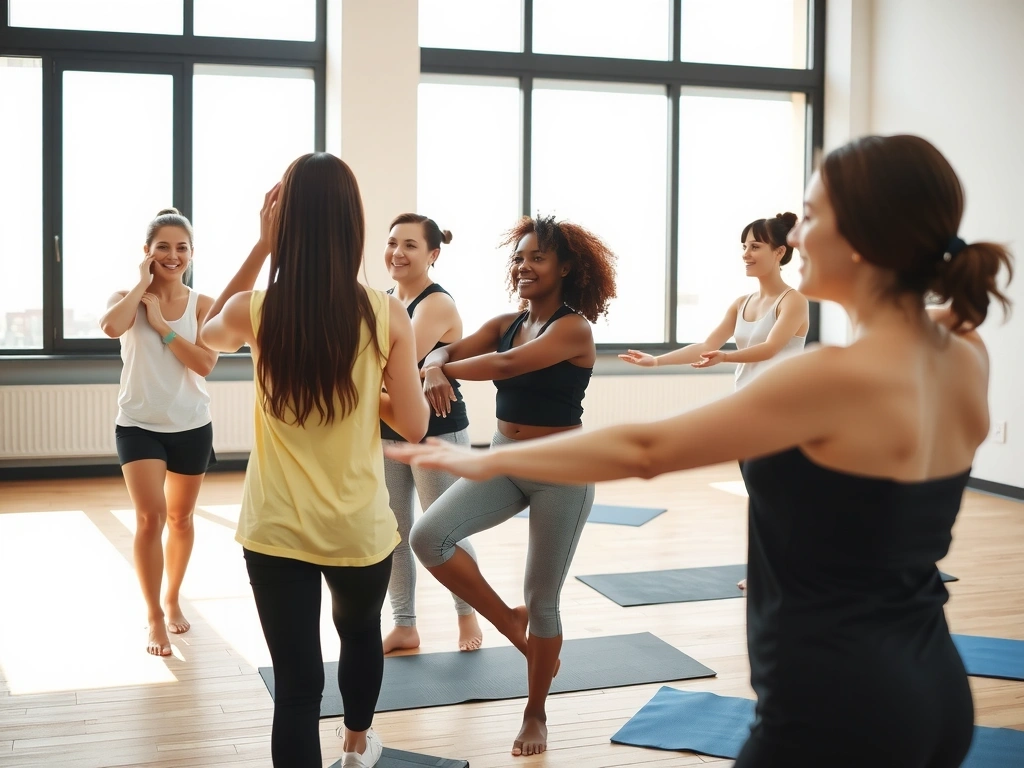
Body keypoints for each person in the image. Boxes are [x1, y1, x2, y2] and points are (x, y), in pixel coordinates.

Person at [387, 135, 1014, 767]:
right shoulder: (962, 351)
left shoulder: (830, 376)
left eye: (811, 216)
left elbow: (647, 448)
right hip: (933, 683)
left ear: (863, 234)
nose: (793, 237)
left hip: (837, 706)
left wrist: (488, 460)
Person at [200, 154, 428, 768]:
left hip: (275, 532)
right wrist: (364, 389)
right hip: (358, 528)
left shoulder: (256, 309)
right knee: (358, 637)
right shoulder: (386, 313)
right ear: (354, 226)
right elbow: (415, 424)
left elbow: (201, 338)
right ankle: (356, 747)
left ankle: (351, 746)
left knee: (297, 690)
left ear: (286, 223)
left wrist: (259, 246)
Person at [403, 215, 616, 757]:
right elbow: (450, 348)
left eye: (536, 258)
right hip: (503, 459)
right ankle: (509, 625)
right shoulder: (505, 319)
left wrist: (442, 370)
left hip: (560, 470)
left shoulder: (573, 328)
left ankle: (535, 713)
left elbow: (504, 365)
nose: (523, 266)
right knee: (428, 537)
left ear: (566, 267)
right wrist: (433, 362)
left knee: (543, 599)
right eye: (518, 258)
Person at [622, 213, 809, 589]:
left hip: (782, 415)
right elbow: (708, 345)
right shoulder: (741, 302)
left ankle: (792, 570)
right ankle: (765, 570)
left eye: (755, 246)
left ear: (779, 252)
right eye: (743, 246)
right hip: (747, 413)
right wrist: (656, 361)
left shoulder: (794, 301)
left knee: (781, 499)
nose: (746, 253)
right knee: (759, 497)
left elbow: (771, 348)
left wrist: (726, 358)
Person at [99, 208, 218, 657]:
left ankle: (171, 598)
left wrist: (165, 328)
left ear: (191, 254)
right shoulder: (125, 297)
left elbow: (206, 363)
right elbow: (111, 327)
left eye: (181, 247)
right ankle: (154, 617)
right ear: (148, 252)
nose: (173, 255)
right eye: (163, 247)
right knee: (150, 517)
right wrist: (140, 286)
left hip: (191, 425)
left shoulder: (202, 304)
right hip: (138, 426)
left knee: (181, 519)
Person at [379, 213, 484, 654]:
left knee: (445, 530)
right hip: (386, 426)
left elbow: (390, 363)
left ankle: (468, 613)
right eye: (392, 243)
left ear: (433, 254)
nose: (398, 253)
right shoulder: (384, 300)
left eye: (410, 245)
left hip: (436, 431)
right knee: (394, 531)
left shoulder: (435, 303)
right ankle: (405, 625)